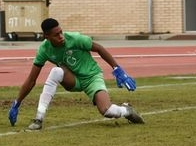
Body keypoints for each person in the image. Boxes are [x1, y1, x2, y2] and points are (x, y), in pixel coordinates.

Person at [8, 18, 145, 131]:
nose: (61, 36)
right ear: (47, 36)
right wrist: (17, 103)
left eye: (61, 32)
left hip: (92, 77)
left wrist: (117, 69)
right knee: (56, 71)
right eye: (56, 35)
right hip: (73, 79)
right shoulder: (44, 50)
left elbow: (99, 48)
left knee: (107, 111)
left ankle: (127, 111)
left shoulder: (75, 38)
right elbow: (31, 80)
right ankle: (38, 119)